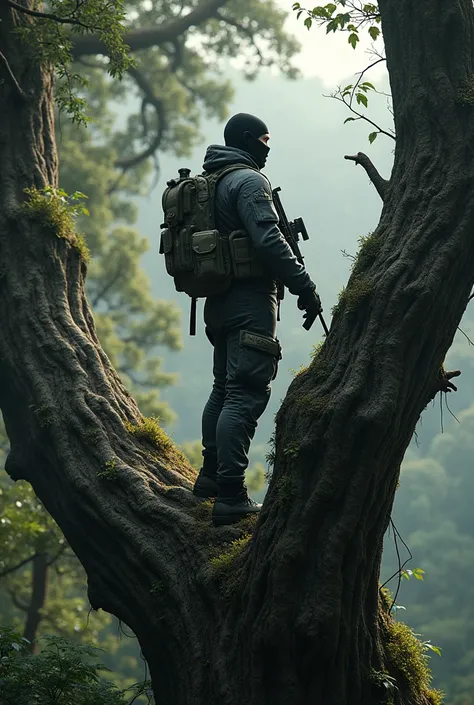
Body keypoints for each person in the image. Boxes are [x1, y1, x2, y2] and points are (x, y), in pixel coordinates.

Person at [192, 112, 321, 527]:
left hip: (218, 302)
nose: (269, 148)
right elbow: (269, 240)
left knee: (223, 388)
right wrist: (304, 286)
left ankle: (211, 477)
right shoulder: (248, 181)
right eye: (265, 140)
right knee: (244, 392)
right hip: (249, 301)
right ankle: (230, 494)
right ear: (249, 140)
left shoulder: (212, 181)